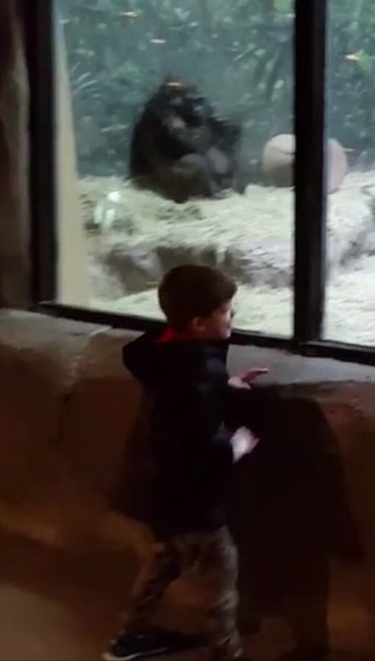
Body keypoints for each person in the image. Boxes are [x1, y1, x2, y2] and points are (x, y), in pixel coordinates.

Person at [103, 264, 268, 661]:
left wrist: (222, 384)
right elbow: (198, 443)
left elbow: (178, 386)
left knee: (161, 564)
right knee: (221, 581)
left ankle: (130, 636)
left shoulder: (159, 356)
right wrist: (237, 446)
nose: (232, 316)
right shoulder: (198, 374)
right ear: (198, 323)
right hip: (198, 505)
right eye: (226, 311)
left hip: (163, 493)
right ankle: (226, 651)